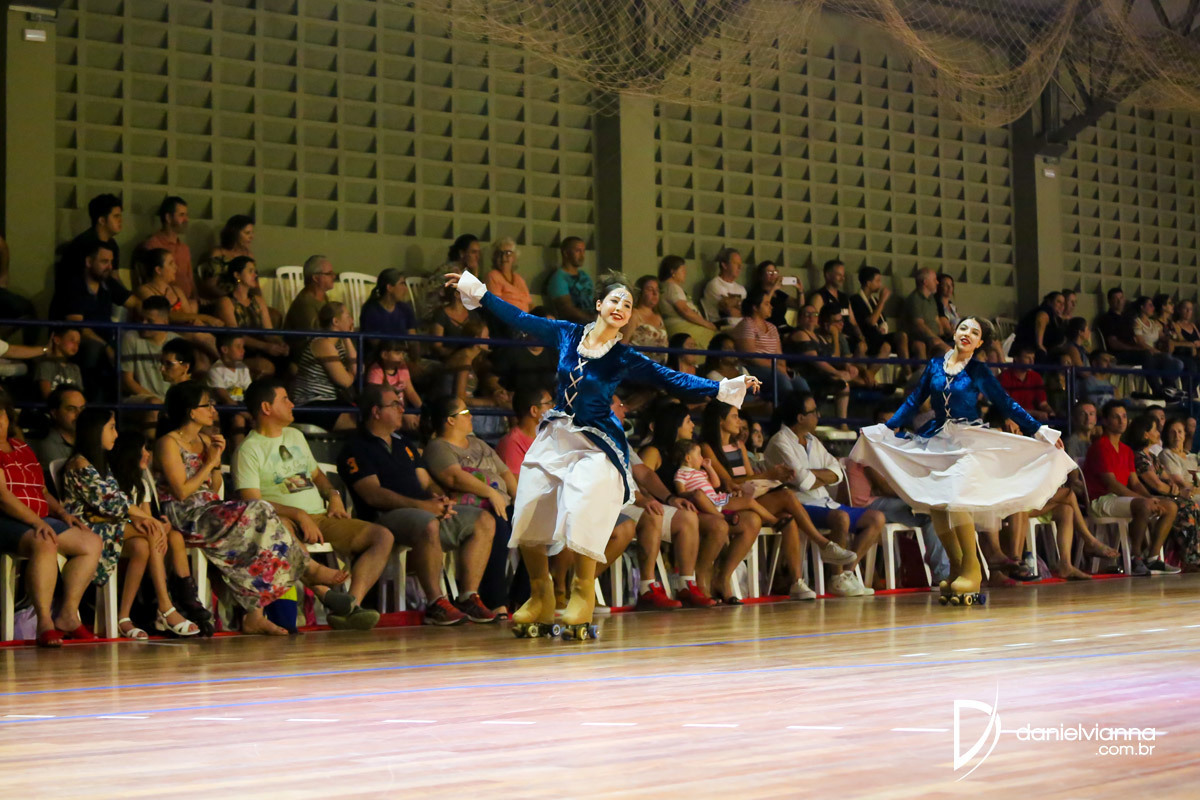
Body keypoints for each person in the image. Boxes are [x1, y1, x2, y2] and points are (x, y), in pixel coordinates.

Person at [444, 268, 759, 638]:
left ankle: (582, 594)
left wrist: (723, 387)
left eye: (628, 304)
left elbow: (671, 378)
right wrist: (478, 291)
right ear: (598, 305)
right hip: (558, 434)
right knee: (531, 502)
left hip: (597, 442)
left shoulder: (623, 356)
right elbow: (520, 318)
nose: (621, 307)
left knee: (582, 503)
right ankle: (541, 594)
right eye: (615, 300)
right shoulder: (567, 333)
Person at [852, 317, 1077, 604]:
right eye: (963, 328)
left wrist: (1038, 429)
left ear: (980, 342)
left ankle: (972, 569)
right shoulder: (935, 366)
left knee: (955, 499)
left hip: (969, 441)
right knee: (937, 505)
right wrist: (887, 428)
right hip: (937, 439)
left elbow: (1005, 402)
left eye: (975, 332)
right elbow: (914, 400)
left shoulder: (978, 370)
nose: (967, 334)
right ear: (955, 333)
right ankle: (957, 566)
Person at [156, 381, 350, 635]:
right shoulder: (168, 443)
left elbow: (214, 488)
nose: (213, 410)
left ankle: (255, 614)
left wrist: (215, 464)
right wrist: (211, 462)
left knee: (262, 529)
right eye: (207, 405)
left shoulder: (204, 440)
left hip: (211, 509)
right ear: (192, 412)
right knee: (258, 509)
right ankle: (310, 571)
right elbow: (181, 491)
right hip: (186, 515)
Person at [235, 377, 393, 627]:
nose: (292, 404)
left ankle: (349, 606)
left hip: (320, 516)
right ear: (266, 408)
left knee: (382, 536)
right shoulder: (249, 449)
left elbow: (317, 475)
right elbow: (252, 502)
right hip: (282, 520)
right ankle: (324, 591)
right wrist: (298, 514)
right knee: (280, 531)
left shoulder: (295, 436)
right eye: (285, 399)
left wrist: (334, 496)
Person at [337, 385, 498, 625]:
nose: (402, 409)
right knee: (428, 523)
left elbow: (426, 482)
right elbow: (372, 494)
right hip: (386, 517)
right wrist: (422, 507)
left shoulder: (403, 443)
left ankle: (467, 596)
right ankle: (435, 602)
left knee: (483, 520)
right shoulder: (357, 447)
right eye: (395, 404)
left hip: (424, 511)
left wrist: (441, 498)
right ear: (376, 412)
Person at [63, 408, 201, 638]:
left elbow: (121, 503)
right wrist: (150, 521)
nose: (116, 434)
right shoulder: (79, 464)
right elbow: (113, 502)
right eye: (111, 428)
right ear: (95, 431)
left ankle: (123, 617)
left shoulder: (100, 464)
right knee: (150, 531)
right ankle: (165, 607)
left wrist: (146, 520)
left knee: (142, 546)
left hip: (108, 526)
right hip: (85, 529)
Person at [699, 399, 857, 599]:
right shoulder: (707, 447)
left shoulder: (739, 446)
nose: (739, 421)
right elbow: (728, 482)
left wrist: (767, 480)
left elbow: (750, 478)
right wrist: (769, 475)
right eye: (734, 416)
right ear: (720, 421)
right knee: (787, 495)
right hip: (728, 500)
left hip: (750, 497)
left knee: (788, 519)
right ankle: (823, 544)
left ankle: (796, 582)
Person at [0, 393, 101, 647]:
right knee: (44, 542)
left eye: (0, 414)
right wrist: (38, 522)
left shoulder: (22, 448)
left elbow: (42, 490)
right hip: (6, 520)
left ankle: (68, 614)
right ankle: (44, 622)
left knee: (91, 543)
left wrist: (62, 514)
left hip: (39, 517)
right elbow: (3, 497)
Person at [766, 393, 885, 597]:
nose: (818, 415)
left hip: (825, 501)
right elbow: (802, 482)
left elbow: (837, 472)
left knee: (876, 518)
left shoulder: (813, 440)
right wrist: (822, 476)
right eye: (813, 412)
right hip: (800, 505)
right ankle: (835, 577)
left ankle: (846, 574)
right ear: (800, 417)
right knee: (841, 518)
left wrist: (813, 475)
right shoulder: (780, 442)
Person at [609, 395, 712, 608]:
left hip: (633, 502)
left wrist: (670, 498)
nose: (625, 410)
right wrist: (641, 498)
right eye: (619, 406)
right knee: (652, 515)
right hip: (612, 503)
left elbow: (644, 473)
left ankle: (686, 584)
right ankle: (647, 588)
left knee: (687, 517)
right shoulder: (591, 436)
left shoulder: (619, 439)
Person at [1126, 414, 1193, 572]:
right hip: (1146, 497)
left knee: (1188, 505)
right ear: (1145, 434)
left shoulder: (1153, 457)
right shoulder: (1139, 457)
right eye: (1155, 430)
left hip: (1161, 497)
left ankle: (1156, 556)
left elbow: (1165, 477)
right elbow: (1156, 484)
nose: (1159, 433)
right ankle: (1187, 557)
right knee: (1188, 507)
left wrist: (1171, 484)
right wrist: (1175, 491)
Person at [732, 289, 810, 403]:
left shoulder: (772, 327)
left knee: (800, 382)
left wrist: (782, 367)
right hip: (753, 368)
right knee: (782, 381)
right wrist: (777, 368)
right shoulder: (746, 324)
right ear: (755, 307)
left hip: (775, 367)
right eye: (766, 304)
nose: (771, 307)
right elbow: (751, 357)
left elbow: (779, 354)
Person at [291, 301, 359, 431]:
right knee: (361, 422)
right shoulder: (322, 343)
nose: (352, 320)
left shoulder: (338, 345)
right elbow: (345, 382)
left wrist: (347, 338)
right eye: (348, 316)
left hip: (329, 401)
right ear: (335, 321)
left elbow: (357, 370)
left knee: (366, 416)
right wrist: (351, 374)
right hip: (311, 404)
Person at [120, 296, 177, 405]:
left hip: (169, 402)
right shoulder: (131, 338)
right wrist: (159, 403)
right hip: (139, 398)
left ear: (165, 322)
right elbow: (127, 381)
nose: (143, 324)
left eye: (149, 321)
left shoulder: (176, 341)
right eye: (141, 319)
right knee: (153, 404)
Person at [139, 195, 195, 299]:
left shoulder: (184, 248)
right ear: (168, 218)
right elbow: (150, 281)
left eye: (186, 215)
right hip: (167, 302)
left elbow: (190, 279)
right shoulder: (153, 245)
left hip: (189, 302)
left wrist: (196, 298)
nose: (186, 219)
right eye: (182, 215)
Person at [657, 255, 717, 347]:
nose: (685, 273)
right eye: (682, 270)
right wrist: (708, 324)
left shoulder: (665, 287)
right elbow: (685, 310)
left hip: (676, 327)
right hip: (684, 327)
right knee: (717, 340)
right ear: (673, 272)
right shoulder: (673, 288)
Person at [359, 268, 417, 359]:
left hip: (401, 357)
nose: (406, 289)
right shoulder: (370, 311)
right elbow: (376, 345)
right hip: (380, 360)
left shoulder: (405, 309)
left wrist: (416, 361)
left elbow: (412, 340)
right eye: (402, 284)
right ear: (389, 287)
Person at [364, 339, 421, 431]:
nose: (402, 357)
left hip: (401, 410)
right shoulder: (375, 371)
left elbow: (411, 392)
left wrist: (421, 409)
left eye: (403, 353)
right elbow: (378, 400)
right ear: (384, 355)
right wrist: (403, 414)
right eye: (398, 353)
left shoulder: (402, 367)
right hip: (386, 412)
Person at [200, 214, 255, 303]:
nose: (252, 237)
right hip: (221, 300)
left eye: (252, 232)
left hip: (244, 300)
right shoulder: (218, 253)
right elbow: (210, 285)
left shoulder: (249, 256)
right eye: (247, 233)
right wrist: (232, 299)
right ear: (235, 234)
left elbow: (255, 283)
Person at [850, 266, 901, 359]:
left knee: (902, 336)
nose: (880, 284)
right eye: (877, 281)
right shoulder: (856, 300)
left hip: (879, 336)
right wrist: (882, 300)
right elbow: (871, 322)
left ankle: (907, 366)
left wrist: (882, 328)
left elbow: (882, 321)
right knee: (886, 346)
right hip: (867, 338)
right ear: (868, 283)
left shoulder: (875, 301)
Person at [32, 384, 86, 467]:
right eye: (71, 409)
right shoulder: (48, 445)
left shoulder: (90, 438)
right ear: (54, 413)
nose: (79, 414)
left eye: (82, 408)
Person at [810, 259, 862, 345]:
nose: (842, 278)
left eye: (843, 275)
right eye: (839, 275)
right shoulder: (819, 297)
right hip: (832, 340)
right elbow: (814, 321)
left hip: (850, 338)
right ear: (828, 275)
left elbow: (853, 321)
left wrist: (861, 336)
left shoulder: (844, 297)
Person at [900, 268, 947, 361]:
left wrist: (942, 337)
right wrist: (936, 339)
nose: (937, 282)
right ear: (925, 282)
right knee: (946, 351)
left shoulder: (932, 299)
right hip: (923, 339)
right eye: (934, 280)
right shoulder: (915, 299)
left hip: (935, 338)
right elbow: (919, 325)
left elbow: (936, 320)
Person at [999, 345, 1055, 422]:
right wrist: (1036, 413)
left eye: (1033, 358)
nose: (1032, 362)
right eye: (1027, 358)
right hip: (1011, 421)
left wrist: (1050, 412)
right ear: (1016, 358)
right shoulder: (1004, 377)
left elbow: (1043, 404)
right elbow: (1008, 408)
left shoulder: (1036, 377)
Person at [284, 254, 337, 333]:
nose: (334, 277)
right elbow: (315, 335)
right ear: (315, 278)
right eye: (329, 274)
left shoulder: (323, 297)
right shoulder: (304, 304)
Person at [546, 236, 593, 323]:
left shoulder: (584, 276)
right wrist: (593, 319)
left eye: (583, 251)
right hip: (575, 324)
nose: (582, 256)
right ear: (566, 253)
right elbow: (567, 310)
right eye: (577, 251)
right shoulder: (558, 278)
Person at [625, 276, 669, 363]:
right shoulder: (634, 314)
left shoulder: (658, 317)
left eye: (657, 290)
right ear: (640, 292)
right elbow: (623, 342)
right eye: (650, 289)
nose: (655, 293)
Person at [700, 247, 747, 327]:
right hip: (721, 326)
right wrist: (740, 304)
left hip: (739, 326)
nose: (740, 267)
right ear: (724, 265)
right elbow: (730, 312)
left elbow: (748, 312)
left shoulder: (741, 289)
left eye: (740, 264)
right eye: (735, 263)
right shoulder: (715, 285)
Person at [484, 237, 532, 314]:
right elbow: (496, 306)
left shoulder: (519, 279)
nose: (503, 257)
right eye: (499, 254)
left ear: (514, 257)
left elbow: (530, 303)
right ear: (495, 258)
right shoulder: (493, 276)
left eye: (508, 253)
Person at [33, 328, 84, 399]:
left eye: (78, 343)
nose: (75, 345)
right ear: (57, 340)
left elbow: (79, 394)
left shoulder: (75, 368)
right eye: (72, 340)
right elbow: (47, 395)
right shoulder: (45, 365)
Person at [754, 260, 803, 333]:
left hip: (784, 327)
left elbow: (799, 306)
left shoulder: (778, 293)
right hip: (770, 330)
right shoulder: (756, 293)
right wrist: (774, 288)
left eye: (775, 272)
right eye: (769, 272)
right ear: (761, 276)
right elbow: (763, 305)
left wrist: (800, 291)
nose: (773, 275)